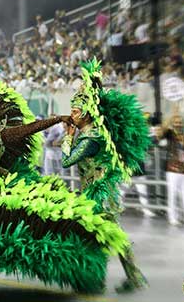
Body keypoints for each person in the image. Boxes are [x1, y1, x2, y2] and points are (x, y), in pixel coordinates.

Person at [61, 59, 149, 293]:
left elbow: (66, 161)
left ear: (87, 112)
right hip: (99, 192)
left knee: (101, 236)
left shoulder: (91, 138)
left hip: (98, 195)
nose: (72, 114)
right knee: (107, 236)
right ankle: (123, 278)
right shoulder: (94, 132)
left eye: (76, 110)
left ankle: (101, 281)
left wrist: (68, 136)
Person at [157, 110, 184, 226]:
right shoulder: (170, 134)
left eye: (180, 122)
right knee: (172, 194)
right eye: (176, 122)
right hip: (172, 169)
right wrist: (171, 115)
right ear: (173, 123)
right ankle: (172, 217)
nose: (179, 124)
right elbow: (161, 131)